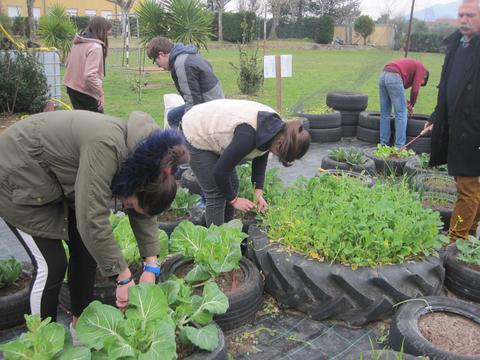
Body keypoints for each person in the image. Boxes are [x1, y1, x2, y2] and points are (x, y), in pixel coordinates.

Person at [0, 110, 188, 330]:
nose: (125, 209)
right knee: (51, 264)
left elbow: (142, 213)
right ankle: (41, 339)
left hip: (54, 180)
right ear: (138, 186)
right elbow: (92, 219)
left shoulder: (150, 166)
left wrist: (151, 266)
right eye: (129, 205)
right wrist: (124, 278)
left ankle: (80, 327)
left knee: (86, 250)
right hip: (17, 173)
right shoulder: (106, 147)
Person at [181, 99, 311, 226]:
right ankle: (216, 243)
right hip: (196, 130)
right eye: (281, 154)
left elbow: (262, 153)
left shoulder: (277, 129)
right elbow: (220, 172)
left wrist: (258, 192)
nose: (278, 156)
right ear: (279, 143)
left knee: (233, 184)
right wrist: (235, 200)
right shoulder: (247, 136)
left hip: (215, 132)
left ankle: (226, 232)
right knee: (216, 193)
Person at [425, 0, 480, 241]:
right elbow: (446, 87)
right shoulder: (457, 45)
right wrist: (437, 116)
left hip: (474, 129)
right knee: (466, 182)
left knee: (467, 188)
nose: (464, 20)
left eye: (470, 15)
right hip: (456, 126)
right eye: (461, 15)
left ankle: (456, 241)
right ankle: (469, 232)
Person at [146, 36, 224, 128]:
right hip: (215, 100)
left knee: (174, 118)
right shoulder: (188, 53)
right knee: (172, 115)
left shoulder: (181, 64)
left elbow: (192, 100)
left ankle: (181, 142)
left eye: (155, 61)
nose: (158, 66)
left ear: (161, 54)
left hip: (210, 106)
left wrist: (187, 126)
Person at [64, 17, 112, 113]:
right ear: (102, 31)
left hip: (72, 88)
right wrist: (101, 94)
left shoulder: (77, 43)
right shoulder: (95, 47)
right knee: (97, 124)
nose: (108, 36)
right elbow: (90, 75)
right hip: (86, 92)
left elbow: (67, 63)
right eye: (107, 33)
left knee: (81, 122)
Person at [378, 58, 429, 147]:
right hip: (394, 76)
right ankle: (399, 146)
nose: (419, 83)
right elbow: (415, 90)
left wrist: (407, 103)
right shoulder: (421, 68)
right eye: (421, 82)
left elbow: (397, 92)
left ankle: (383, 144)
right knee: (401, 114)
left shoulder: (412, 67)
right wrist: (412, 105)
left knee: (385, 113)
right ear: (424, 76)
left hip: (383, 75)